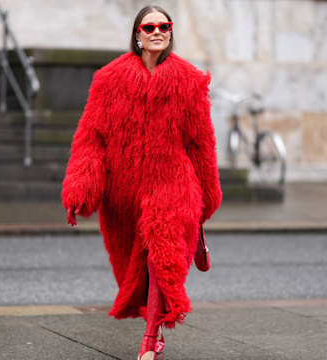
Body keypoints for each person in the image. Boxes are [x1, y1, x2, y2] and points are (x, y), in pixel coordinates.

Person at [62, 5, 221, 360]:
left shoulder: (189, 81)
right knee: (139, 267)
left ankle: (150, 340)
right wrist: (79, 187)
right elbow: (91, 136)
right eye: (149, 27)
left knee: (159, 252)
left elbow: (201, 142)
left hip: (172, 182)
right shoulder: (109, 79)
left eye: (164, 26)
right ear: (137, 34)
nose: (157, 32)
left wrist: (207, 196)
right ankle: (156, 323)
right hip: (125, 190)